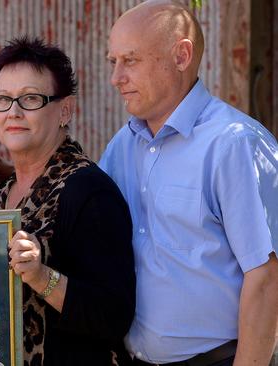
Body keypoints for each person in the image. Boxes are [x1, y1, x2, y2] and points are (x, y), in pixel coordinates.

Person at [99, 1, 278, 365]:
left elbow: (267, 280)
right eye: (113, 62)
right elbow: (78, 206)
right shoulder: (123, 145)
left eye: (130, 61)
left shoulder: (235, 143)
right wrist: (7, 171)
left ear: (181, 56)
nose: (116, 78)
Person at [0, 36, 135, 366]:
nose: (14, 112)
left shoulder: (88, 191)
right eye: (4, 99)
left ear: (65, 109)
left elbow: (113, 316)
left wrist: (40, 276)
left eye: (31, 98)